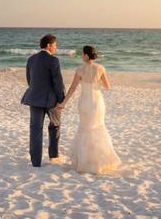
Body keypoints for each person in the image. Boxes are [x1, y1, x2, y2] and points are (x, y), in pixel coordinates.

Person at [57, 45, 121, 174]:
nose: (81, 56)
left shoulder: (80, 69)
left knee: (85, 129)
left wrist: (63, 103)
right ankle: (98, 163)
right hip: (98, 102)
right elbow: (107, 87)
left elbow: (73, 88)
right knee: (98, 128)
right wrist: (96, 85)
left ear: (86, 55)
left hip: (85, 103)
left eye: (82, 54)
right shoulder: (101, 68)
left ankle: (84, 163)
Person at [20, 34, 65, 167]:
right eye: (55, 45)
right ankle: (53, 156)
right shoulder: (54, 60)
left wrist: (36, 91)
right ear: (48, 45)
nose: (56, 47)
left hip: (34, 98)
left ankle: (36, 162)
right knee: (55, 126)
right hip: (51, 100)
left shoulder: (31, 59)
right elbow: (58, 82)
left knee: (35, 129)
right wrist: (61, 100)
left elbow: (29, 80)